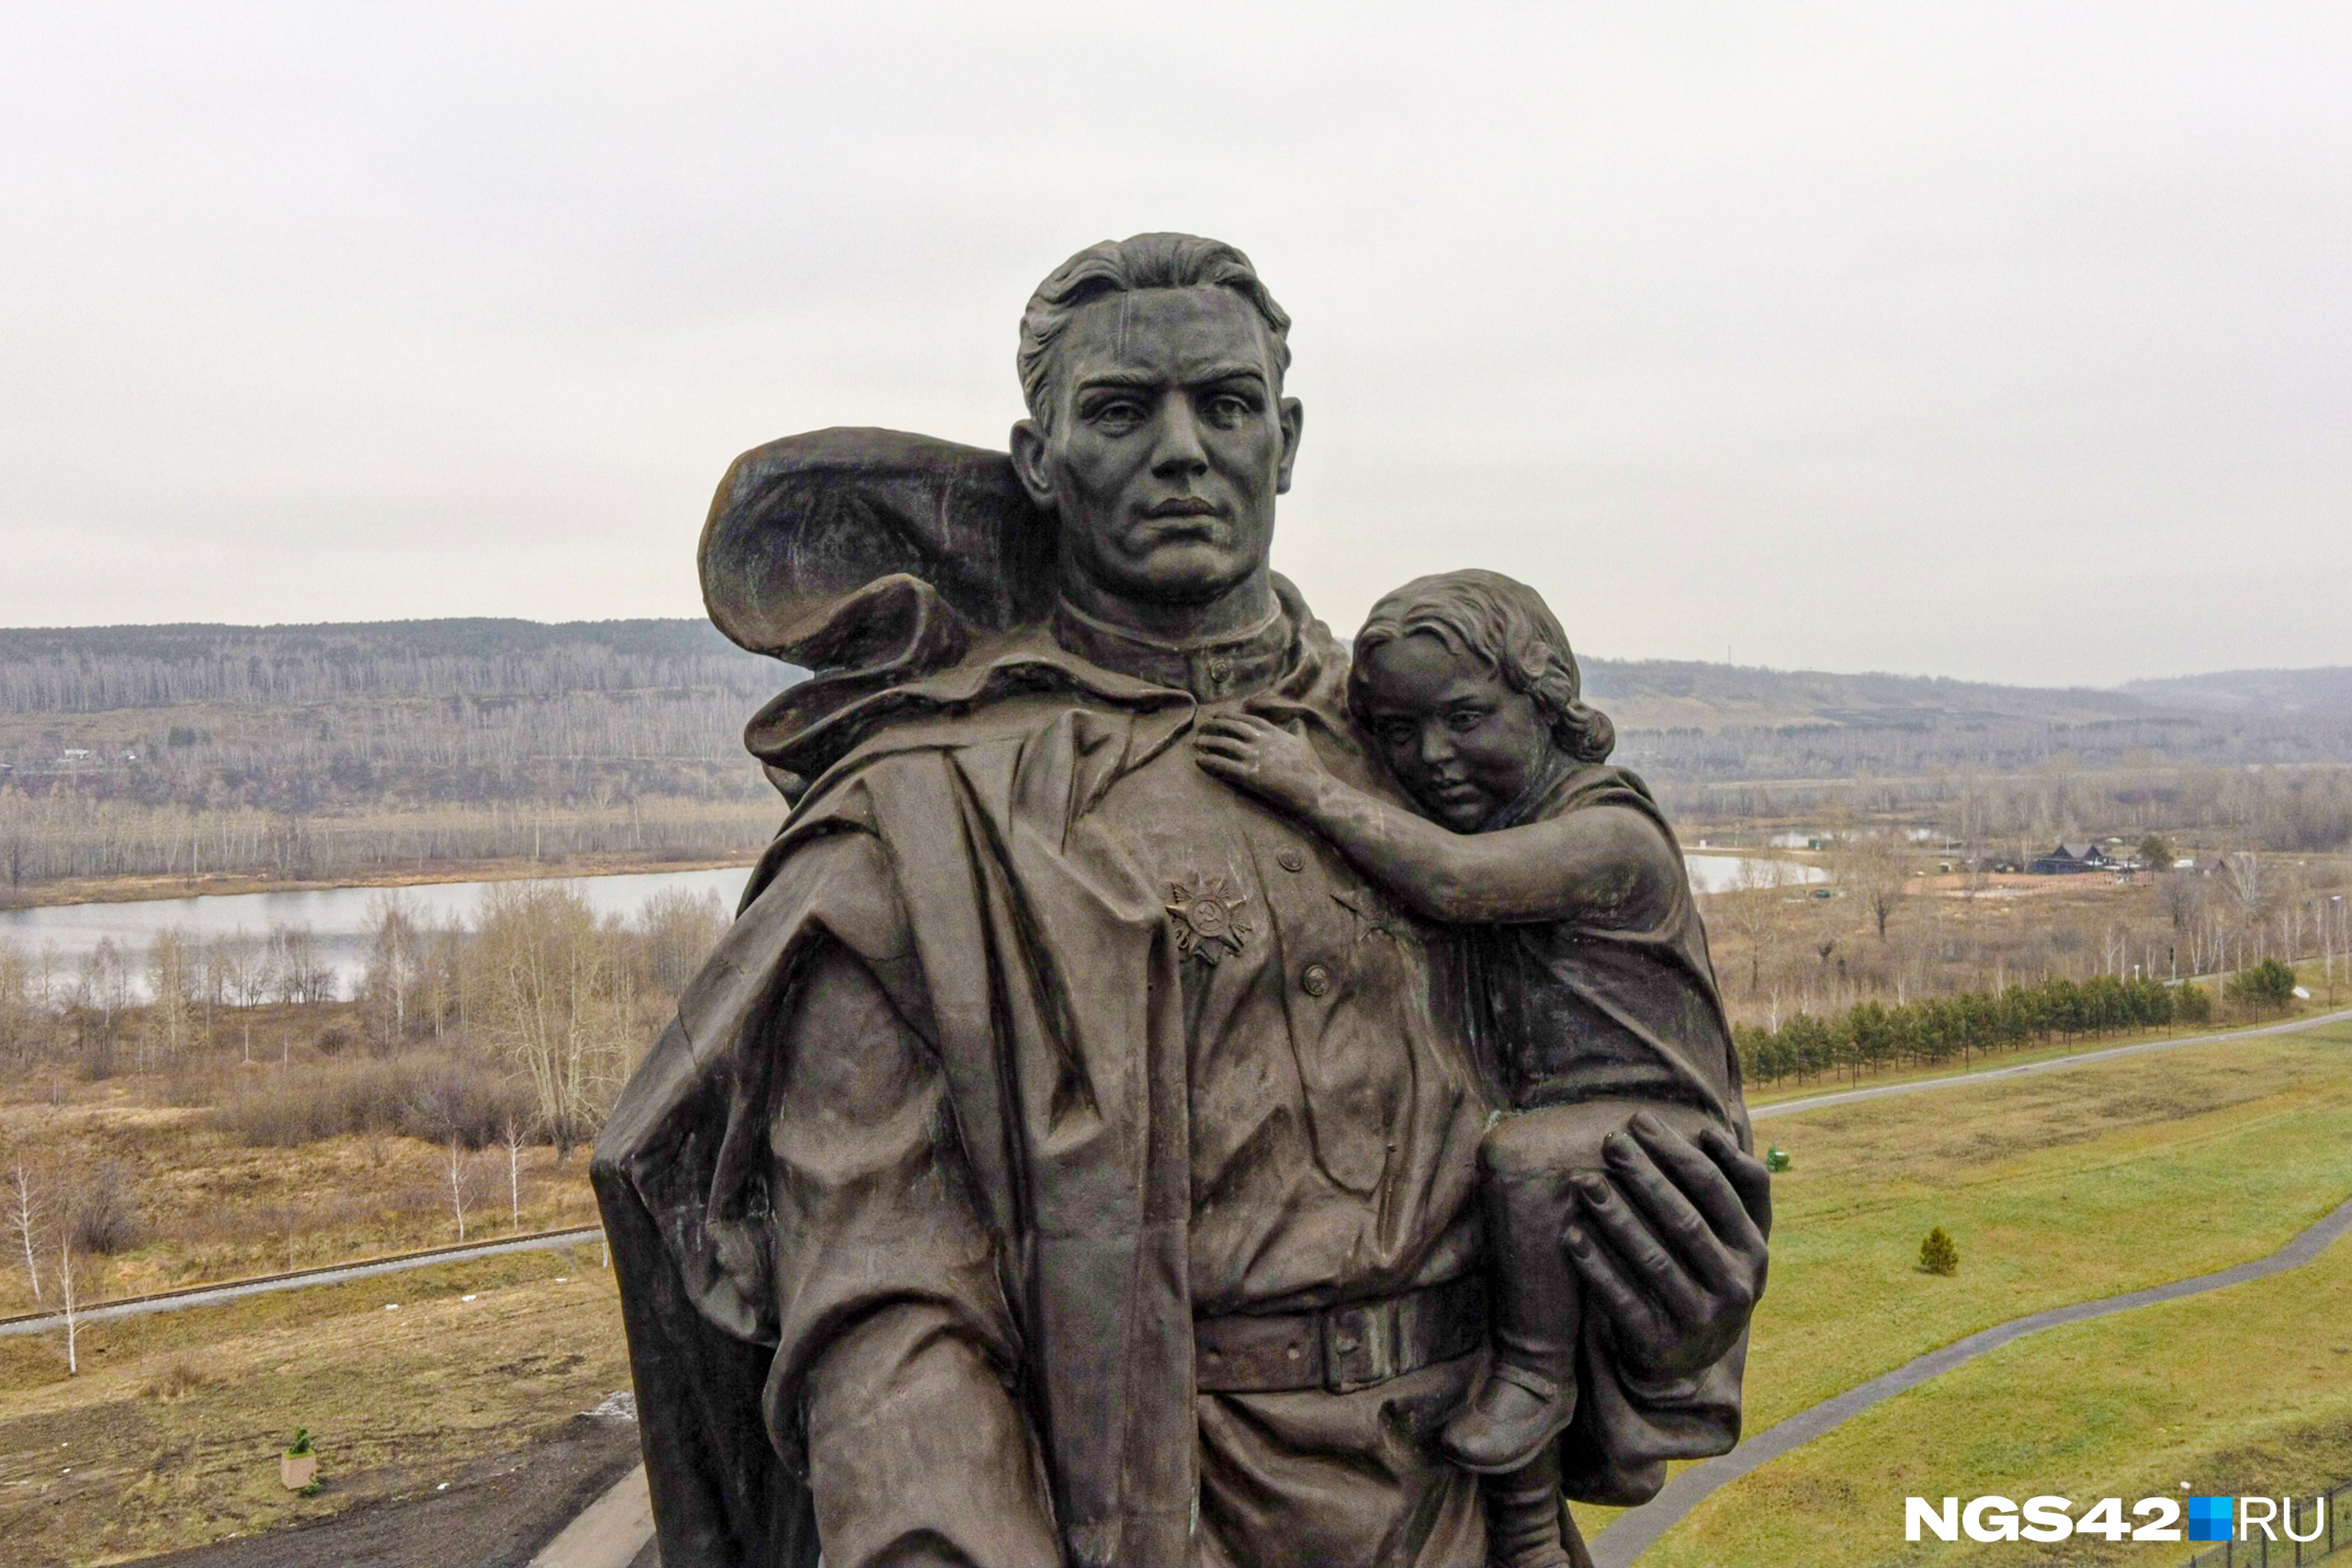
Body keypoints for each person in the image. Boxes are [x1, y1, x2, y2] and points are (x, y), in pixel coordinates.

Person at [593, 234, 1770, 1568]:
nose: (1179, 450)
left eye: (1223, 404)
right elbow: (884, 1298)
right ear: (1040, 462)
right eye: (1117, 411)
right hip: (1143, 1511)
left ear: (1287, 437)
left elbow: (1607, 1078)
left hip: (1467, 1501)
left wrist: (1666, 1294)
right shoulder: (928, 811)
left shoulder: (1425, 754)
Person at [1193, 569, 1749, 1568]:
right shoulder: (1485, 811)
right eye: (1398, 736)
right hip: (1558, 1130)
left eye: (1463, 718)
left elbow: (1455, 885)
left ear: (1543, 701)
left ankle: (1538, 1378)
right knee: (1499, 1232)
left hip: (1651, 1126)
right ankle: (1527, 1516)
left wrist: (1304, 784)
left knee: (1520, 1166)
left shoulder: (1612, 837)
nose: (1430, 758)